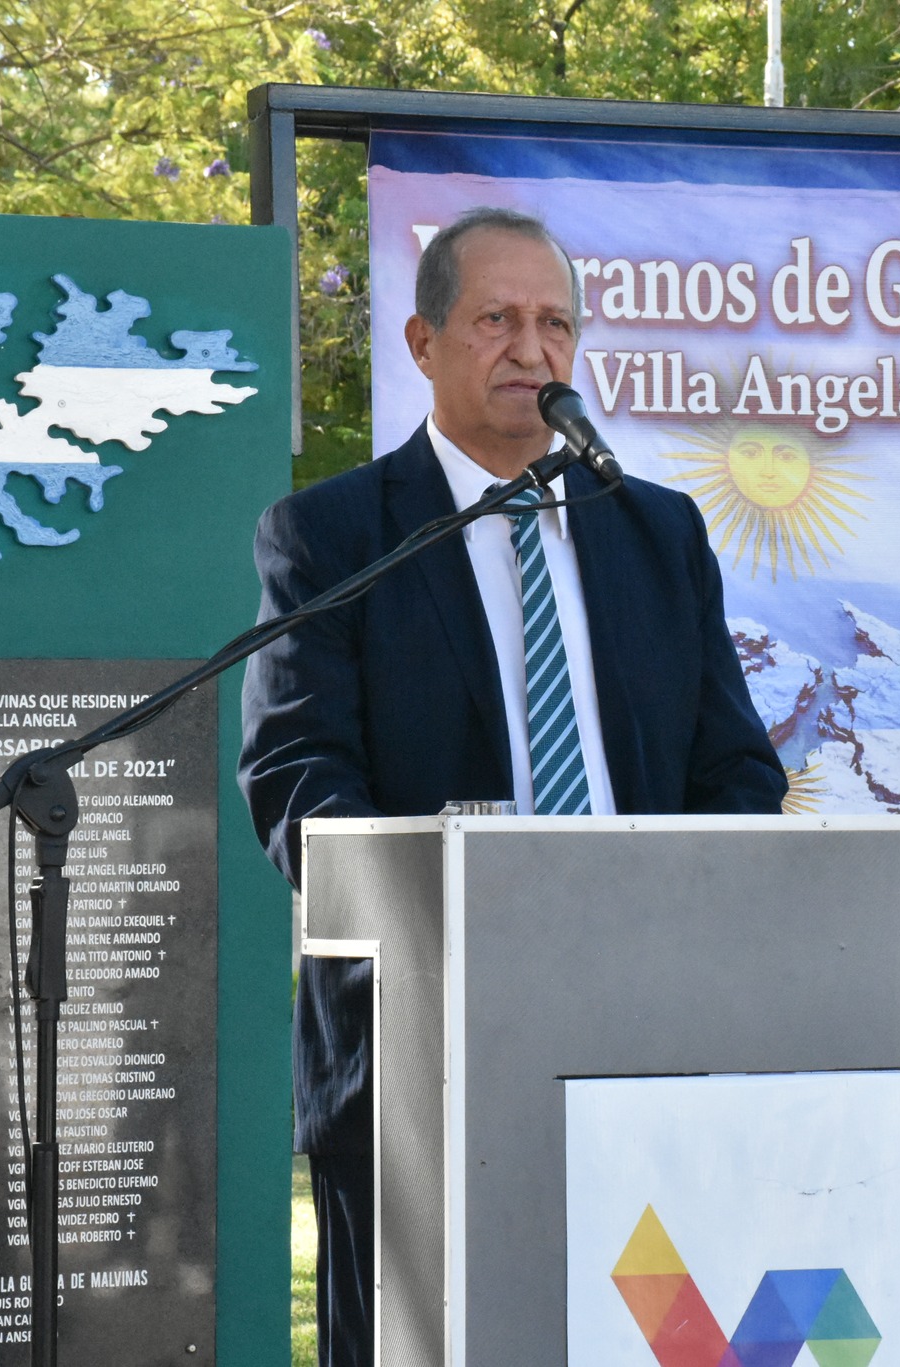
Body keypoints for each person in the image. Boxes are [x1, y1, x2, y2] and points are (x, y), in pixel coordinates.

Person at [237, 206, 786, 1367]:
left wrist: (687, 910)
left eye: (554, 323)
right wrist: (447, 912)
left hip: (644, 1023)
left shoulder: (656, 530)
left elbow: (734, 765)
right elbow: (294, 778)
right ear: (422, 341)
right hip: (418, 1044)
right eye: (495, 319)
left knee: (631, 1334)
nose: (530, 350)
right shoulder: (330, 536)